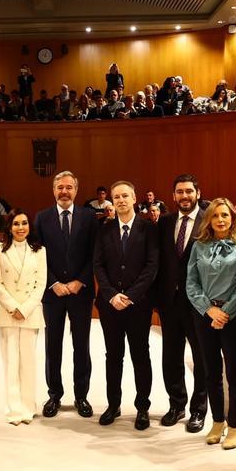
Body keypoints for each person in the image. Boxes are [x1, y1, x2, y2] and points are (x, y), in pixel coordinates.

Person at [186, 197, 236, 449]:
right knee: (211, 371)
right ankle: (217, 420)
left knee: (234, 373)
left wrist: (225, 312)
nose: (220, 220)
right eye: (215, 215)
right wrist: (209, 310)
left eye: (225, 215)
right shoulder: (198, 246)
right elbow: (191, 282)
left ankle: (235, 424)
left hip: (233, 317)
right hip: (205, 316)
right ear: (209, 219)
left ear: (233, 218)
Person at [93, 181, 158, 429]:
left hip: (138, 305)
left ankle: (142, 407)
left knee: (140, 356)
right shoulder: (105, 229)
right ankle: (113, 405)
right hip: (110, 306)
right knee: (114, 356)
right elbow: (98, 265)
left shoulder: (148, 229)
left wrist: (130, 296)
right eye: (116, 197)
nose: (120, 200)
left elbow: (152, 266)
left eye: (125, 196)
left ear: (134, 198)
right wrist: (111, 295)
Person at [34, 170, 98, 419]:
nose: (64, 191)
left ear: (76, 190)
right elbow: (37, 255)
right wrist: (54, 283)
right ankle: (54, 395)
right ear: (53, 190)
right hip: (53, 294)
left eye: (69, 187)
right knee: (53, 346)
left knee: (81, 346)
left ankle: (81, 395)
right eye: (60, 187)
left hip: (80, 293)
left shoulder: (89, 217)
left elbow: (95, 253)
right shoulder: (41, 218)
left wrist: (80, 281)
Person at [154, 175, 207, 431]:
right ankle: (176, 404)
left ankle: (199, 409)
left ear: (198, 192)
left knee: (201, 357)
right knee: (171, 355)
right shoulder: (164, 222)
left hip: (199, 303)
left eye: (188, 191)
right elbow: (158, 262)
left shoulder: (209, 219)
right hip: (169, 301)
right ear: (173, 195)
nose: (184, 196)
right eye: (179, 192)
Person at [0, 210, 47, 425]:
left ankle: (28, 406)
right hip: (8, 312)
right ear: (9, 227)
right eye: (16, 223)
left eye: (24, 223)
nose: (20, 227)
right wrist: (13, 306)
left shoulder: (39, 251)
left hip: (30, 313)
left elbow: (40, 283)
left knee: (28, 362)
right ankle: (13, 408)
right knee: (11, 361)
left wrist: (26, 308)